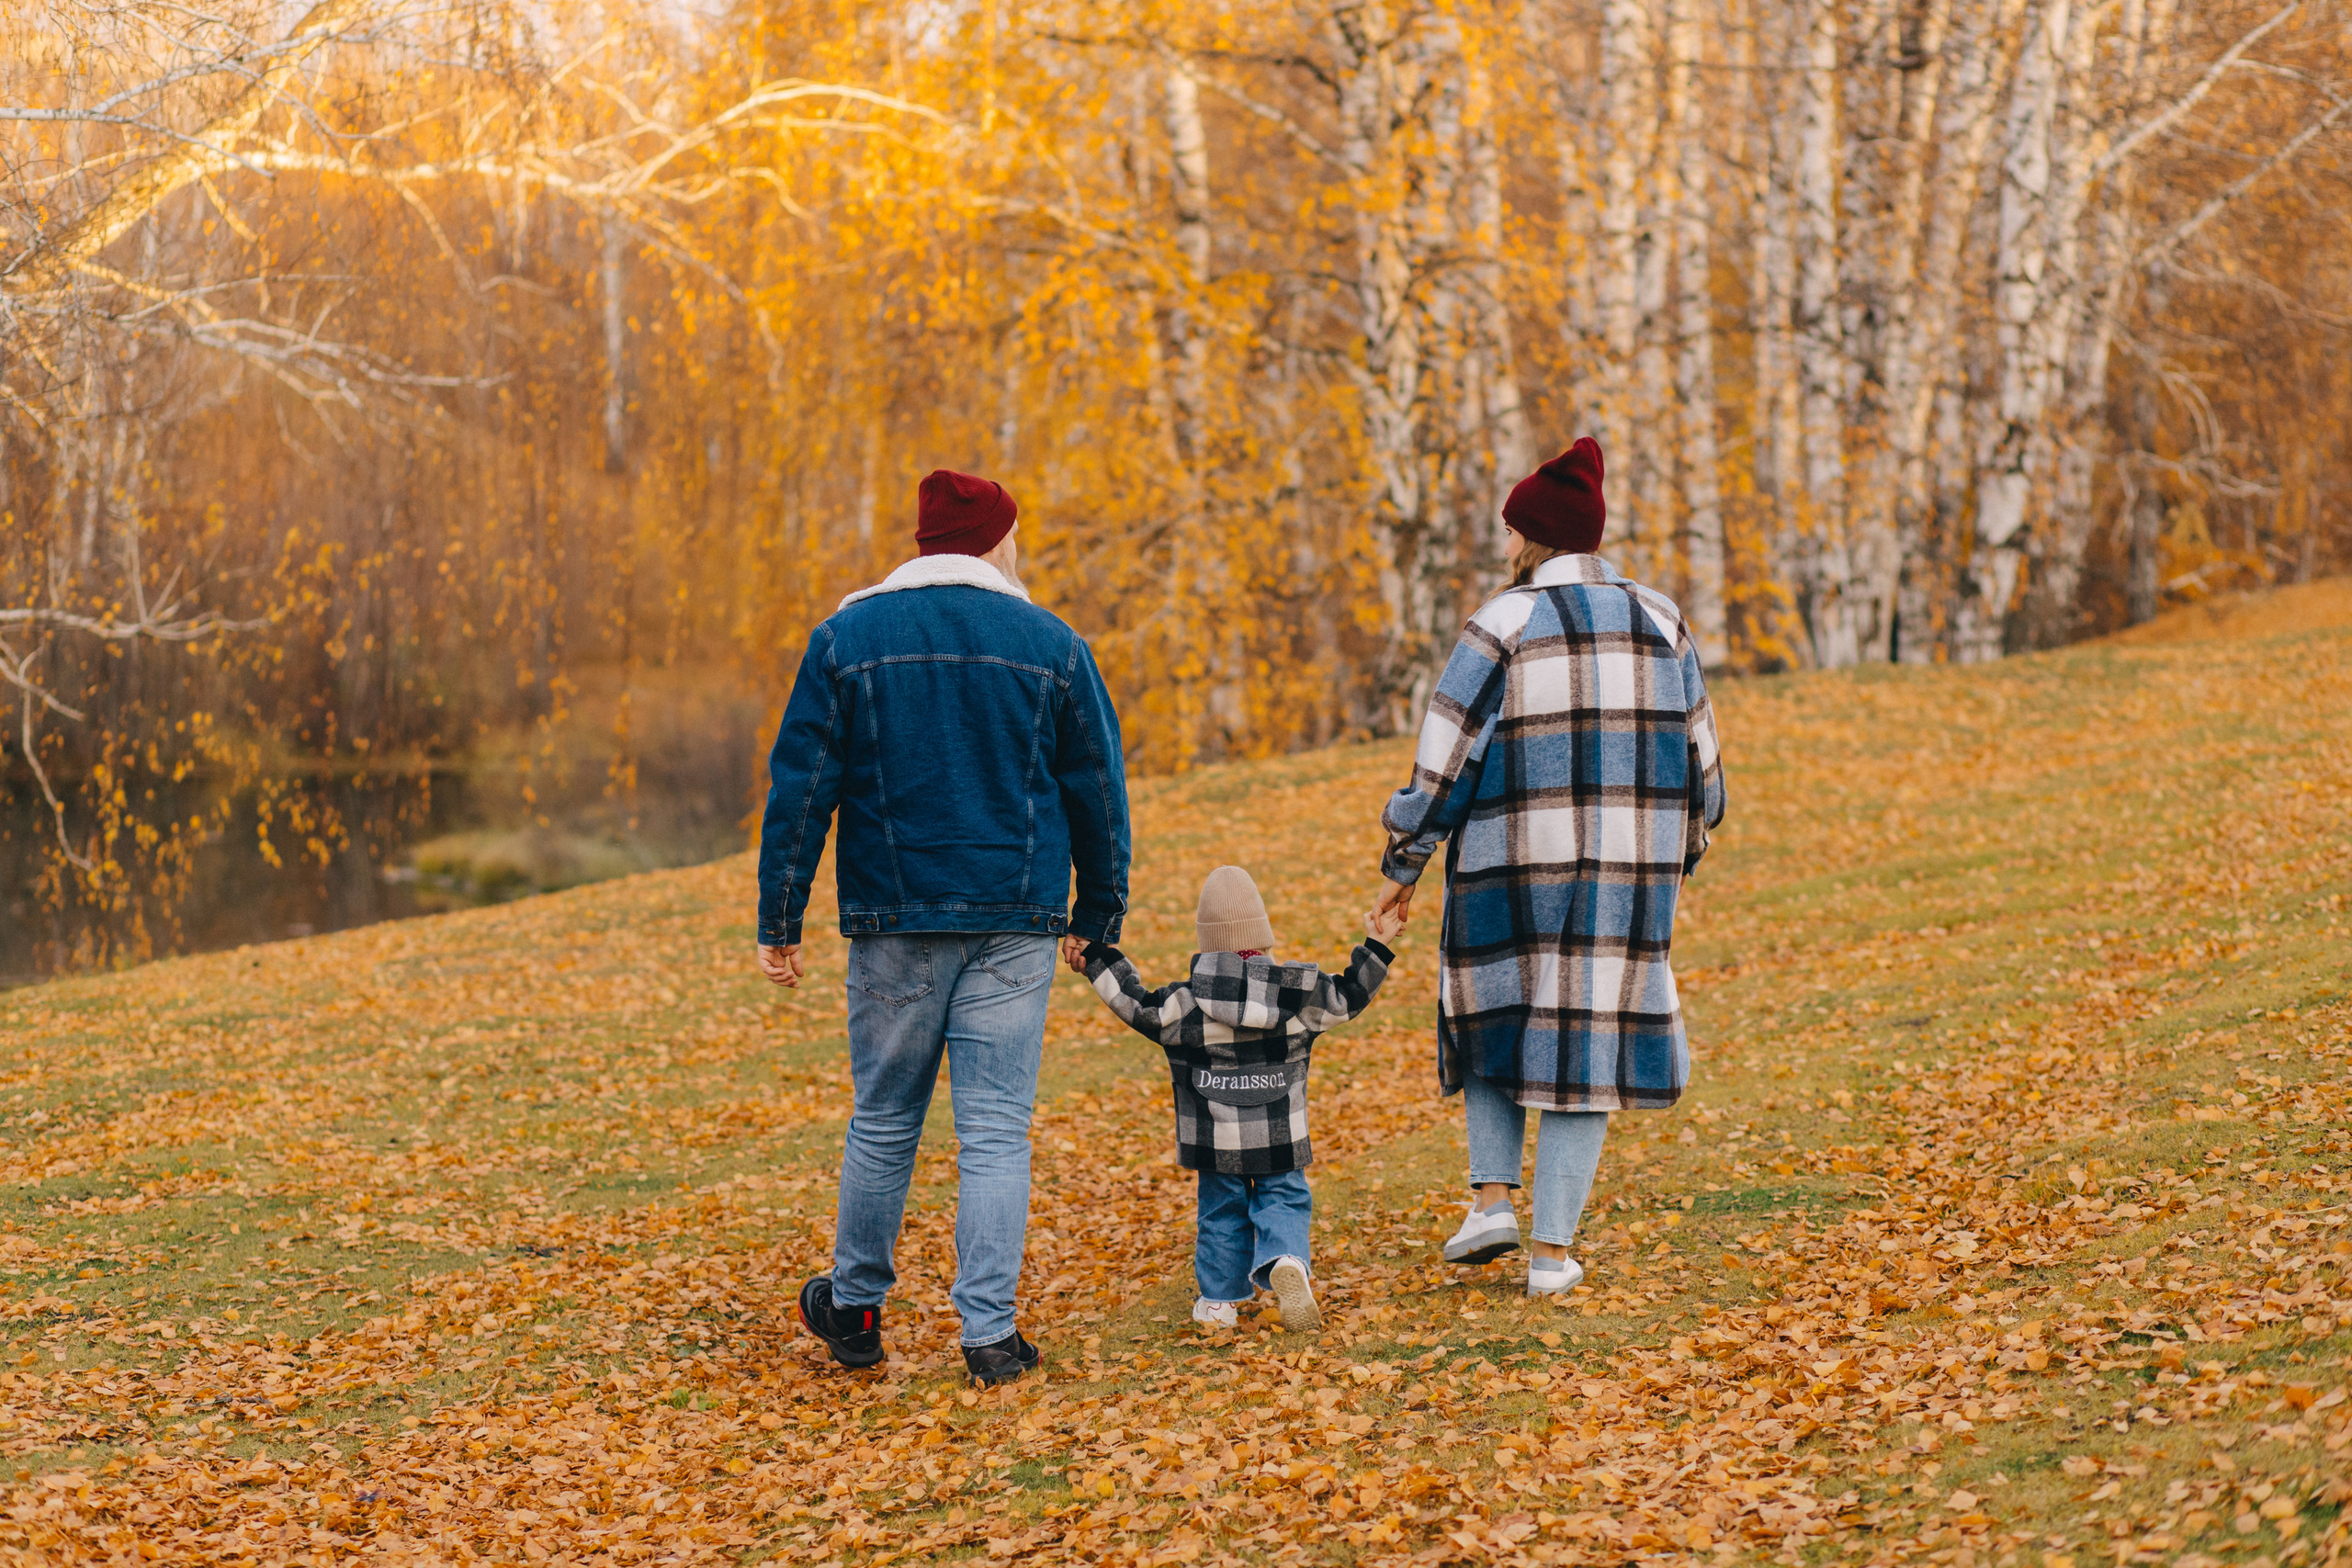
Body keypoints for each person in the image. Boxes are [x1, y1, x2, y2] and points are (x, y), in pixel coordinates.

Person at [756, 468, 1131, 1386]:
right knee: (996, 1132)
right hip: (1016, 919)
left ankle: (853, 1307)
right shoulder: (1051, 643)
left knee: (885, 1122)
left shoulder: (848, 639)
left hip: (896, 918)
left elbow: (803, 788)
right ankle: (989, 1337)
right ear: (998, 543)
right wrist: (1098, 914)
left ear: (922, 545)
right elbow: (1097, 790)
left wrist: (781, 915)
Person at [1372, 438, 1725, 1298]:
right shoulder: (1663, 618)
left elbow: (1443, 762)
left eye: (1509, 529)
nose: (1503, 544)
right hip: (1625, 875)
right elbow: (1704, 769)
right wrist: (1680, 857)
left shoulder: (1502, 621)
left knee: (1494, 1006)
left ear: (1532, 535)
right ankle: (1551, 1257)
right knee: (1586, 1039)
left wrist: (1405, 859)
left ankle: (1491, 1199)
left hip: (1509, 861)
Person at [1074, 866, 1401, 1334]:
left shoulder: (1184, 1006)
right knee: (1284, 1197)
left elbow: (1135, 1003)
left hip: (1214, 1139)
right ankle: (1286, 1259)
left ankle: (1220, 1303)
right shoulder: (1298, 995)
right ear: (1264, 938)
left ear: (1206, 943)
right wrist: (1378, 946)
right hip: (1280, 1133)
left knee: (1221, 1211)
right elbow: (1351, 994)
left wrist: (1098, 958)